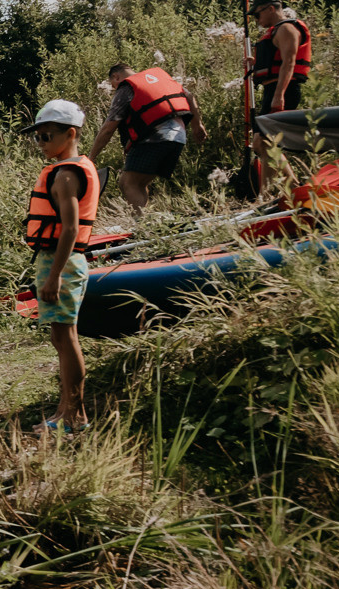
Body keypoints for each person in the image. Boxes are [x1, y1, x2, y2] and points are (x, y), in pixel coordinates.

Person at [22, 99, 99, 432]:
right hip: (57, 261)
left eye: (46, 136)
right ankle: (63, 411)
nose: (41, 143)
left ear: (70, 134)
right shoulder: (65, 169)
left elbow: (70, 228)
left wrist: (54, 276)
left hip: (62, 264)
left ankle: (75, 417)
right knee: (60, 338)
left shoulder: (67, 175)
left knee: (67, 339)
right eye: (37, 136)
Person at [90, 63, 205, 216]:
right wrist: (197, 125)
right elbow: (189, 96)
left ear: (116, 77)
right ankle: (146, 220)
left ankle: (140, 224)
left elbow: (108, 129)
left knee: (127, 182)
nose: (114, 89)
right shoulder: (160, 79)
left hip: (156, 138)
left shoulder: (126, 88)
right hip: (178, 137)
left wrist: (91, 158)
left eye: (113, 85)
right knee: (139, 182)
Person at [248, 0, 311, 117]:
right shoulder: (277, 30)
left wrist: (279, 96)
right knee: (264, 128)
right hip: (272, 89)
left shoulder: (286, 29)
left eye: (257, 15)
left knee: (265, 129)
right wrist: (256, 62)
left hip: (284, 90)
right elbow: (275, 60)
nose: (257, 20)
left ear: (271, 9)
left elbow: (289, 63)